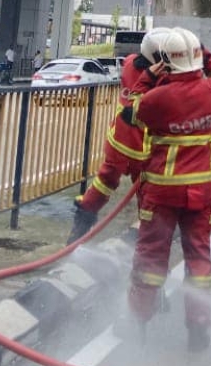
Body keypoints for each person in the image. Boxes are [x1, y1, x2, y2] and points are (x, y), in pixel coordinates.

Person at [122, 27, 211, 352]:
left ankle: (139, 321)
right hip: (202, 194)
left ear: (165, 64)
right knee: (199, 258)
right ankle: (198, 327)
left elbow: (130, 109)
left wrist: (147, 78)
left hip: (161, 195)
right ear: (197, 60)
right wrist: (204, 51)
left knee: (150, 257)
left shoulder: (157, 99)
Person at [65, 27, 171, 244]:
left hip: (118, 139)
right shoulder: (161, 80)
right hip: (143, 146)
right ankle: (147, 247)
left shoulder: (131, 63)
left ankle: (79, 229)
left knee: (105, 181)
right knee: (148, 194)